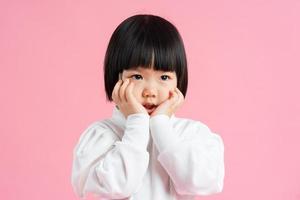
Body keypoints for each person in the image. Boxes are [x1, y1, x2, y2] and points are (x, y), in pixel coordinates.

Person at [71, 14, 225, 200]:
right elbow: (114, 188)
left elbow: (200, 182)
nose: (150, 91)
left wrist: (160, 124)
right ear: (116, 79)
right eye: (137, 77)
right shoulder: (101, 134)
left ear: (179, 81)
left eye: (164, 77)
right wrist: (137, 123)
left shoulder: (192, 134)